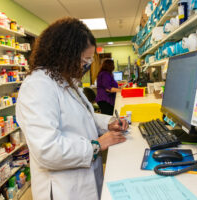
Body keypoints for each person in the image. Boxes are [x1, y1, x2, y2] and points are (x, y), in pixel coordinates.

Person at [16, 17, 128, 200]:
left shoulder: (66, 81)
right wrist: (97, 145)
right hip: (64, 189)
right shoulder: (38, 86)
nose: (85, 67)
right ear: (64, 54)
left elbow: (84, 116)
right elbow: (47, 150)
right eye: (84, 61)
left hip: (85, 178)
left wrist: (109, 123)